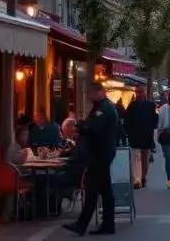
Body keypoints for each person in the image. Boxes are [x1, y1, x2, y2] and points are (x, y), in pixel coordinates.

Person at [63, 82, 119, 236]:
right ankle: (108, 225)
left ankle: (82, 225)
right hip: (101, 154)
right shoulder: (101, 107)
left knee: (92, 190)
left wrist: (78, 127)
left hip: (100, 155)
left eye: (91, 94)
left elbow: (93, 126)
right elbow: (91, 123)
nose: (89, 97)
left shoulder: (105, 109)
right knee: (105, 191)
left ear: (100, 92)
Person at [123, 85, 158, 189]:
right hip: (134, 136)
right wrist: (128, 131)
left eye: (141, 92)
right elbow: (127, 120)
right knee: (136, 157)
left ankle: (143, 176)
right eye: (137, 92)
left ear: (145, 93)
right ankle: (137, 180)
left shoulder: (150, 105)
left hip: (147, 136)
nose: (139, 94)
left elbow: (155, 119)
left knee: (145, 159)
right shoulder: (131, 106)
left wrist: (152, 128)